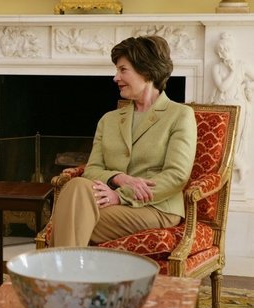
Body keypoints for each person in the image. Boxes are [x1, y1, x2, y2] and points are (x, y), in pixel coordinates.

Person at [50, 35, 197, 247]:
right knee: (77, 186)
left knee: (69, 217)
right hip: (107, 205)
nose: (115, 77)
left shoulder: (179, 115)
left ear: (146, 71)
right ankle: (68, 276)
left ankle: (58, 276)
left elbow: (176, 176)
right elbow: (92, 170)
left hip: (155, 208)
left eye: (122, 70)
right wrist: (120, 179)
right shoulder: (108, 120)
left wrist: (121, 196)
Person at [210, 32, 254, 183]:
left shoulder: (242, 65)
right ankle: (240, 165)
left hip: (238, 106)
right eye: (220, 50)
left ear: (231, 49)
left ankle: (236, 169)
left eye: (225, 49)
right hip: (221, 108)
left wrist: (248, 86)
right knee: (220, 143)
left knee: (233, 142)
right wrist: (233, 71)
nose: (222, 53)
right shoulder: (216, 67)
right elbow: (222, 87)